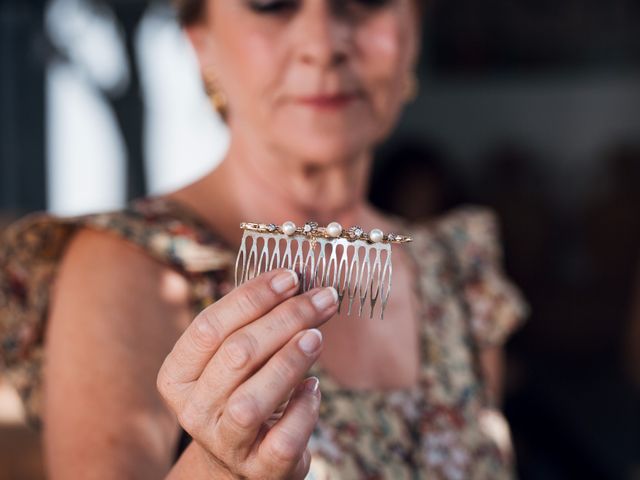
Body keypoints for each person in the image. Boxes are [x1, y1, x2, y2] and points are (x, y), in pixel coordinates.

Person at [0, 0, 527, 478]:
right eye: (271, 5)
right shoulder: (126, 266)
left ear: (413, 28)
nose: (323, 46)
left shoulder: (455, 270)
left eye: (365, 2)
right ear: (199, 40)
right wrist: (214, 467)